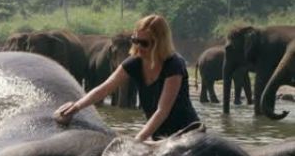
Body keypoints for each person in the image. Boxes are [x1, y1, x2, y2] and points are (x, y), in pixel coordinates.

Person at [54, 14, 200, 142]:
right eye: (135, 40)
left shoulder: (174, 65)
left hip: (188, 137)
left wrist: (137, 140)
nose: (138, 46)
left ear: (159, 43)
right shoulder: (135, 62)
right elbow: (105, 88)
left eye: (144, 43)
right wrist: (76, 107)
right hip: (160, 138)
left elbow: (162, 110)